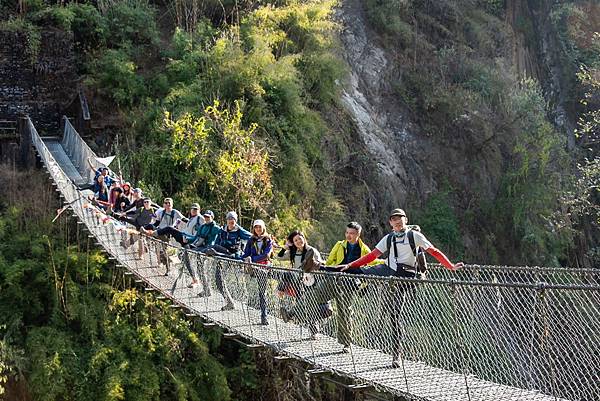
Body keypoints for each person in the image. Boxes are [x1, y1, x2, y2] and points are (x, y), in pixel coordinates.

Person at [338, 208, 463, 367]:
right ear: (390, 223)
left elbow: (434, 251)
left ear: (406, 219)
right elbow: (372, 256)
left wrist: (450, 266)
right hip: (387, 269)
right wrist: (351, 264)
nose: (397, 221)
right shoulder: (389, 238)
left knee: (395, 315)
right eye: (393, 219)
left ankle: (396, 354)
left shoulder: (414, 236)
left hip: (404, 277)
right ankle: (345, 279)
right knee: (352, 270)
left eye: (399, 218)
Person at [325, 222, 379, 352]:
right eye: (347, 233)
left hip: (350, 283)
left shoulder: (364, 249)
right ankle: (324, 310)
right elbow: (330, 261)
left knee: (345, 311)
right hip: (335, 279)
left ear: (358, 235)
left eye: (352, 233)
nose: (348, 236)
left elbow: (373, 262)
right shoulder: (339, 245)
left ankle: (346, 342)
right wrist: (329, 271)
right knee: (316, 296)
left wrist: (388, 262)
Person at [277, 231, 328, 338]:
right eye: (295, 240)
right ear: (293, 243)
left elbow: (319, 264)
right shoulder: (293, 252)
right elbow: (279, 257)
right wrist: (285, 247)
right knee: (305, 306)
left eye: (300, 239)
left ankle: (313, 330)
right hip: (298, 283)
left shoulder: (311, 250)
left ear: (304, 238)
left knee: (310, 305)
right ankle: (311, 329)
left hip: (311, 282)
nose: (298, 241)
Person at [240, 219, 273, 325]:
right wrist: (243, 258)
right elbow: (246, 254)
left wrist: (252, 259)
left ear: (263, 228)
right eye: (256, 227)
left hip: (264, 267)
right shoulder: (251, 240)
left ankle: (264, 317)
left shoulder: (268, 240)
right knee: (255, 292)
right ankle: (251, 268)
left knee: (262, 293)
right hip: (255, 266)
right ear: (254, 229)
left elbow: (267, 255)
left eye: (260, 227)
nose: (258, 229)